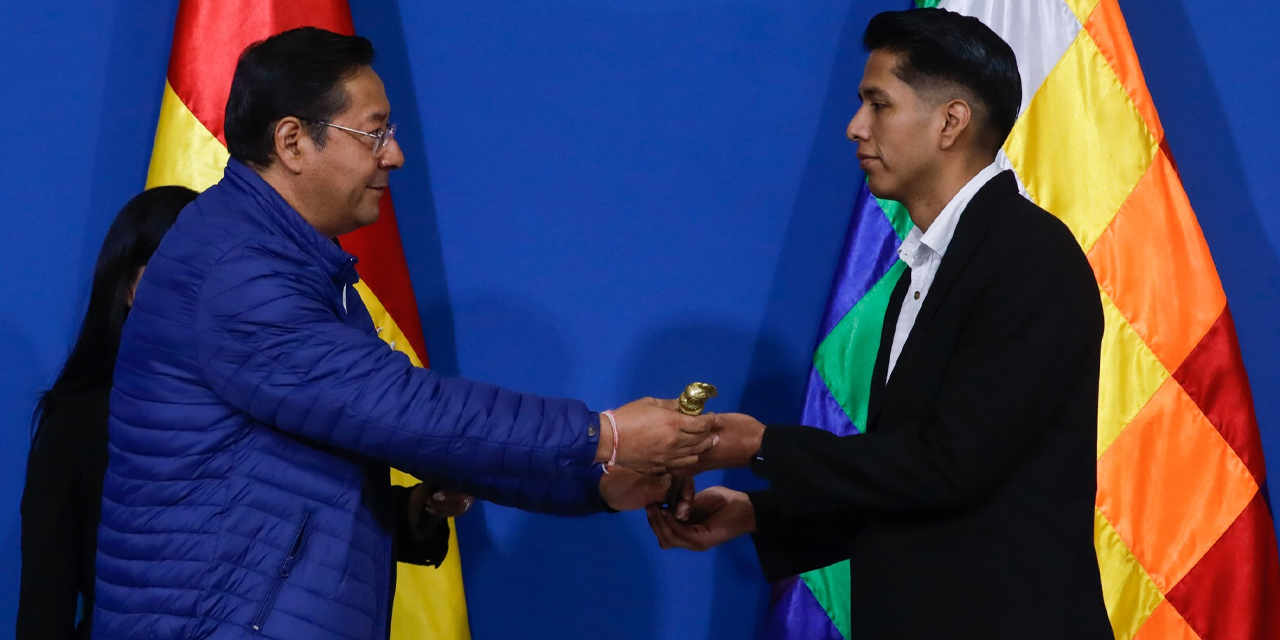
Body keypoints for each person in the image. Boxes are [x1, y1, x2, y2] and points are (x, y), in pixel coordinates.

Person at [91, 28, 711, 640]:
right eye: (375, 132)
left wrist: (599, 482)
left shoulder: (286, 262)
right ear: (292, 142)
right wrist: (606, 436)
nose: (394, 154)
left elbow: (407, 439)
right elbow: (409, 411)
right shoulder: (236, 273)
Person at [649, 9, 1113, 640]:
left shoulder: (1028, 257)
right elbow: (915, 486)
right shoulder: (931, 265)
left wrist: (764, 446)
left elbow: (953, 466)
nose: (854, 128)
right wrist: (759, 514)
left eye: (878, 104)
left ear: (950, 121)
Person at [17, 187, 196, 640]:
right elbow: (45, 606)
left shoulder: (261, 405)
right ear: (130, 287)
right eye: (179, 268)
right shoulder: (79, 423)